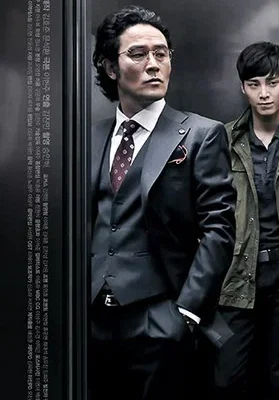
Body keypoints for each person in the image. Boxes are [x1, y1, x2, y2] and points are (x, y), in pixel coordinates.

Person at [89, 6, 236, 400]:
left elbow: (219, 230)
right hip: (92, 322)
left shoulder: (201, 134)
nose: (154, 64)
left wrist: (185, 314)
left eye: (161, 53)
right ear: (110, 67)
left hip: (161, 319)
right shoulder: (88, 138)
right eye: (138, 54)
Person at [211, 41, 279, 400]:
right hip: (236, 274)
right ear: (243, 87)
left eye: (272, 82)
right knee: (228, 378)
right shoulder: (223, 140)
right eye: (254, 84)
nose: (264, 93)